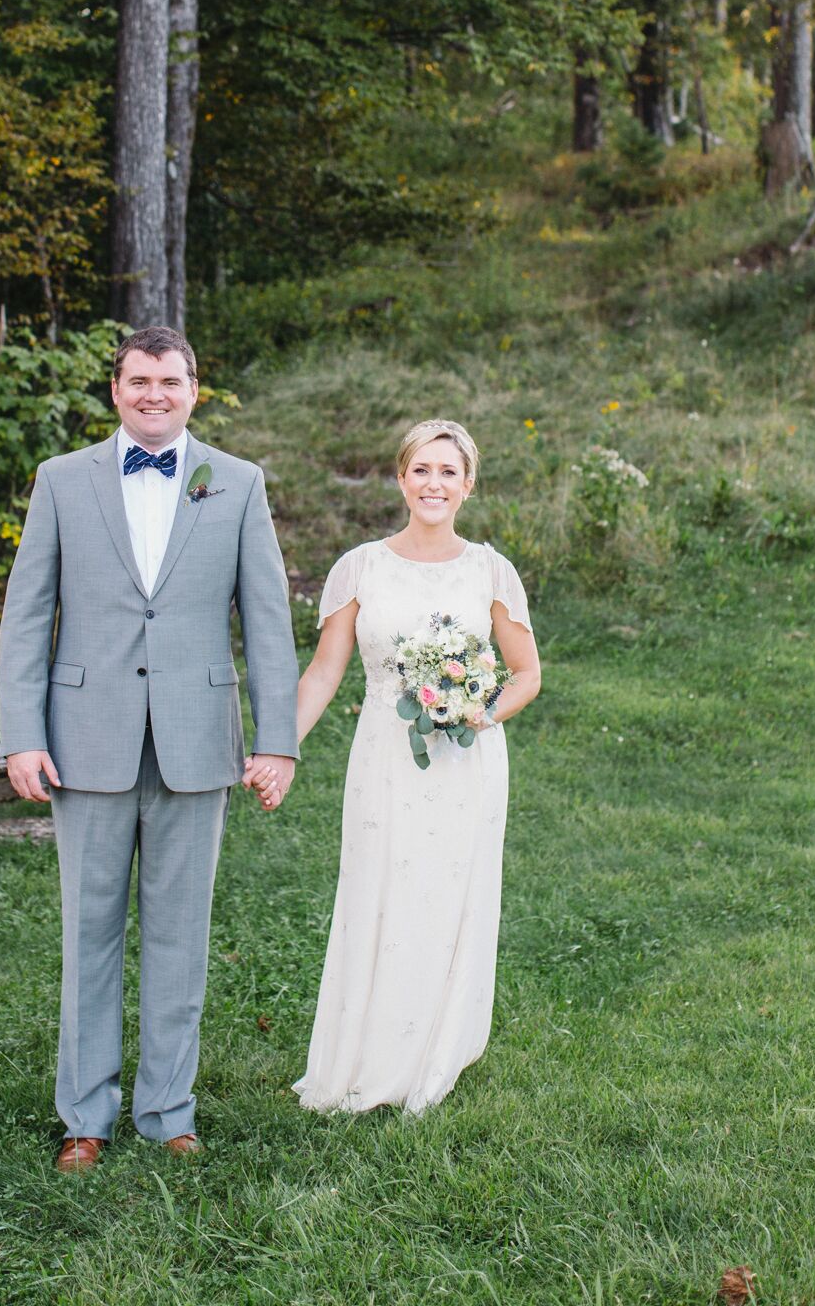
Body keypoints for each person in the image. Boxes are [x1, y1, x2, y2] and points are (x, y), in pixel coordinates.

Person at [0, 326, 299, 1169]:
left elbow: (267, 623)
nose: (153, 394)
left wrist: (277, 741)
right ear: (115, 388)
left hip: (196, 741)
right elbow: (27, 614)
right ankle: (84, 1117)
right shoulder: (62, 481)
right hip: (82, 740)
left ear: (194, 389)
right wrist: (21, 733)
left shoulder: (237, 484)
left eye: (169, 381)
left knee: (179, 935)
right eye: (138, 380)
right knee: (87, 933)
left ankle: (169, 1111)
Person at [247, 417, 540, 1114]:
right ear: (399, 478)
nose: (432, 483)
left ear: (467, 485)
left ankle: (434, 1048)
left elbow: (525, 675)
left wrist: (475, 711)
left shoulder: (489, 569)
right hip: (383, 754)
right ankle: (365, 1054)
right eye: (420, 470)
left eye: (447, 472)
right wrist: (276, 747)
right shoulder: (362, 567)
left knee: (448, 894)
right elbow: (322, 674)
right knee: (379, 892)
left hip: (466, 763)